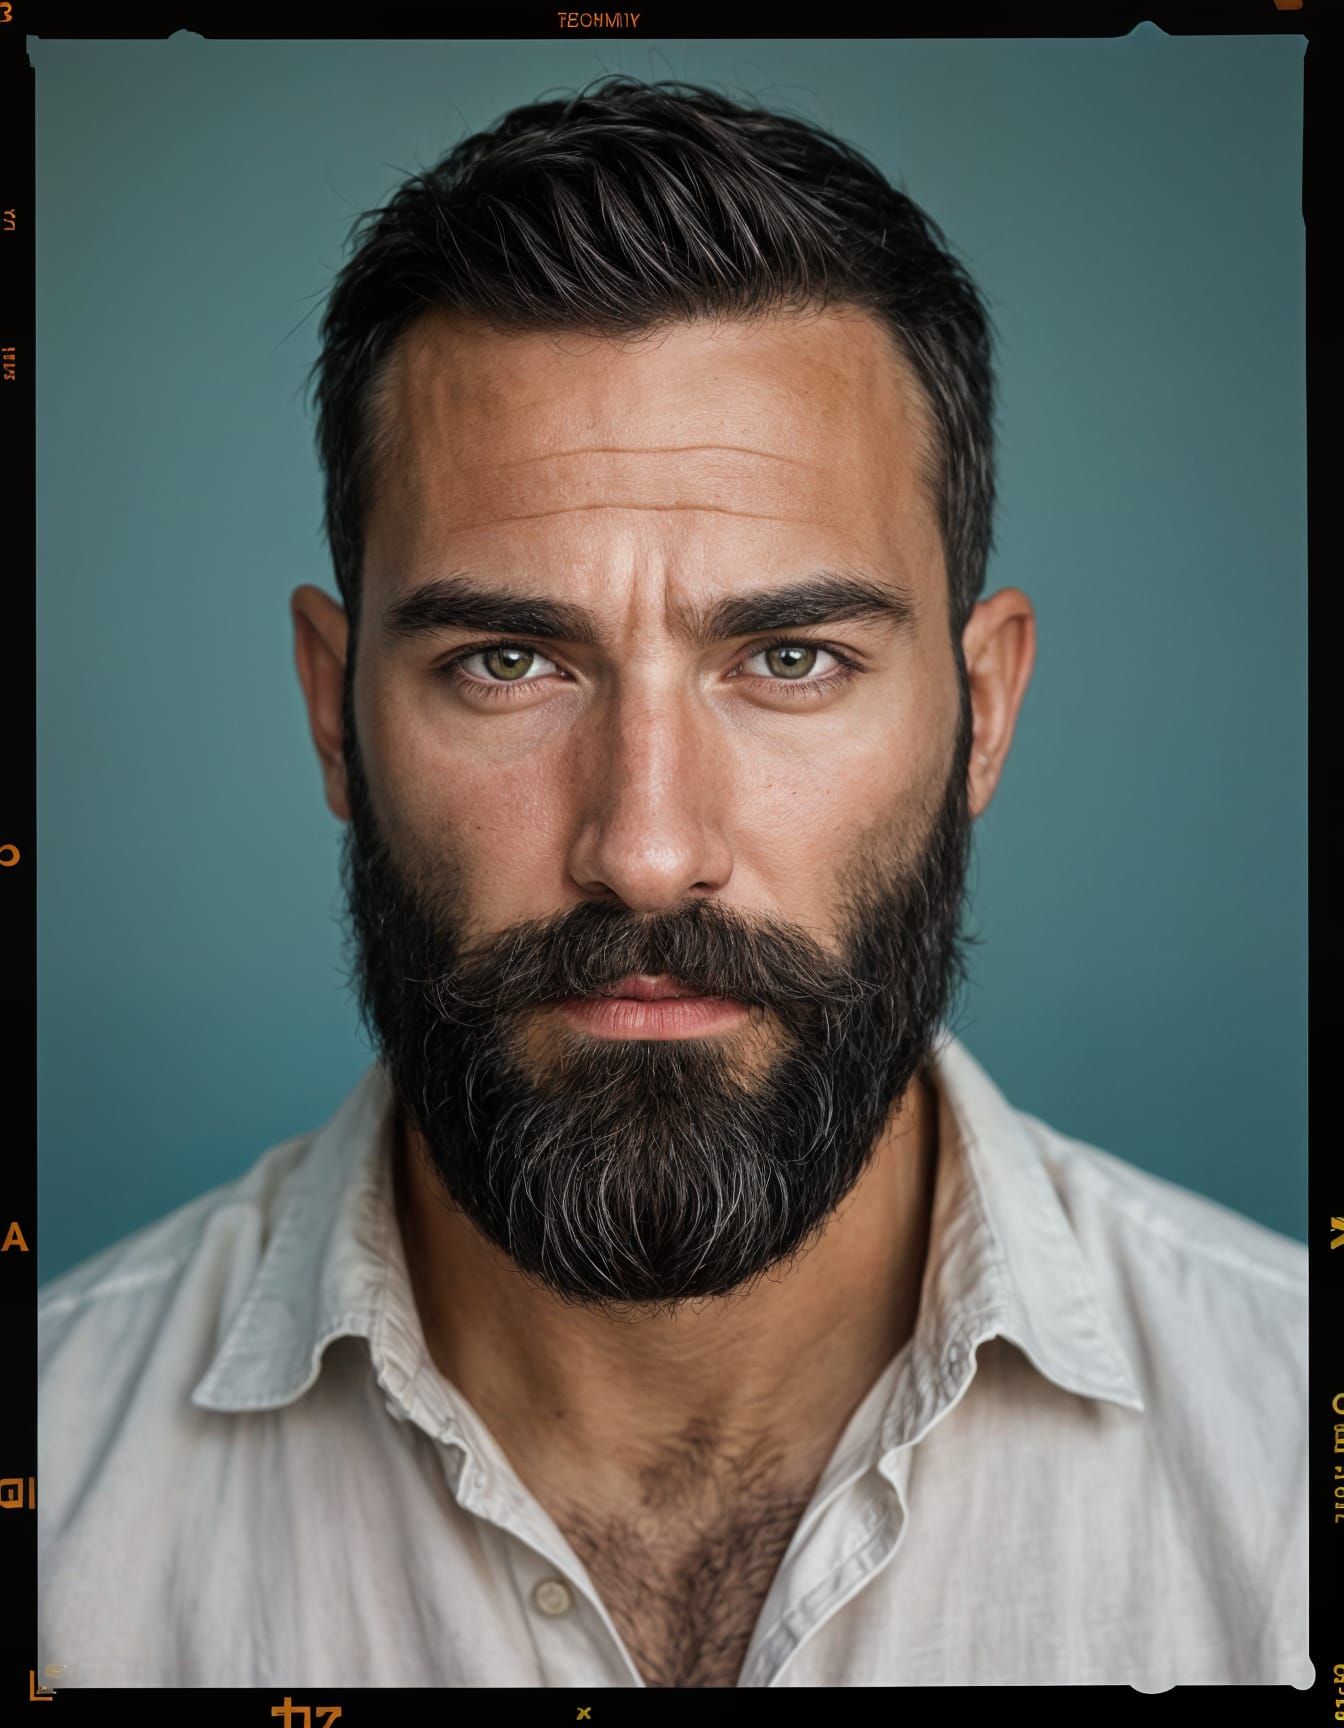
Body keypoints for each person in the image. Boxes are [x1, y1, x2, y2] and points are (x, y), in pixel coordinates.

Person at [37, 76, 1308, 1690]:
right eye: (509, 661)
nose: (643, 846)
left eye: (790, 657)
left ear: (982, 710)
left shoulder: (1290, 1463)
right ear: (330, 709)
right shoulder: (53, 1513)